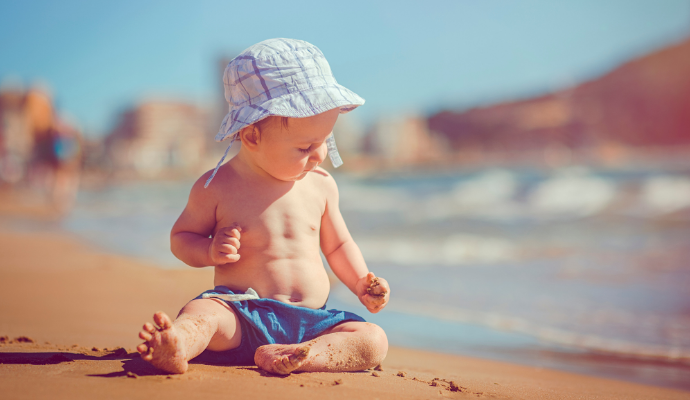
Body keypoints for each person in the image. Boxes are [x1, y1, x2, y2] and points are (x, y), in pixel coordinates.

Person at [136, 38, 390, 375]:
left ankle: (298, 355)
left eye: (325, 142)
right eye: (304, 147)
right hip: (241, 314)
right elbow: (181, 238)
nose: (318, 156)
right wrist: (210, 250)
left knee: (373, 340)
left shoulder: (321, 185)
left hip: (312, 322)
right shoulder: (217, 186)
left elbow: (339, 244)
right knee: (203, 314)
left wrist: (361, 282)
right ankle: (178, 344)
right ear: (252, 136)